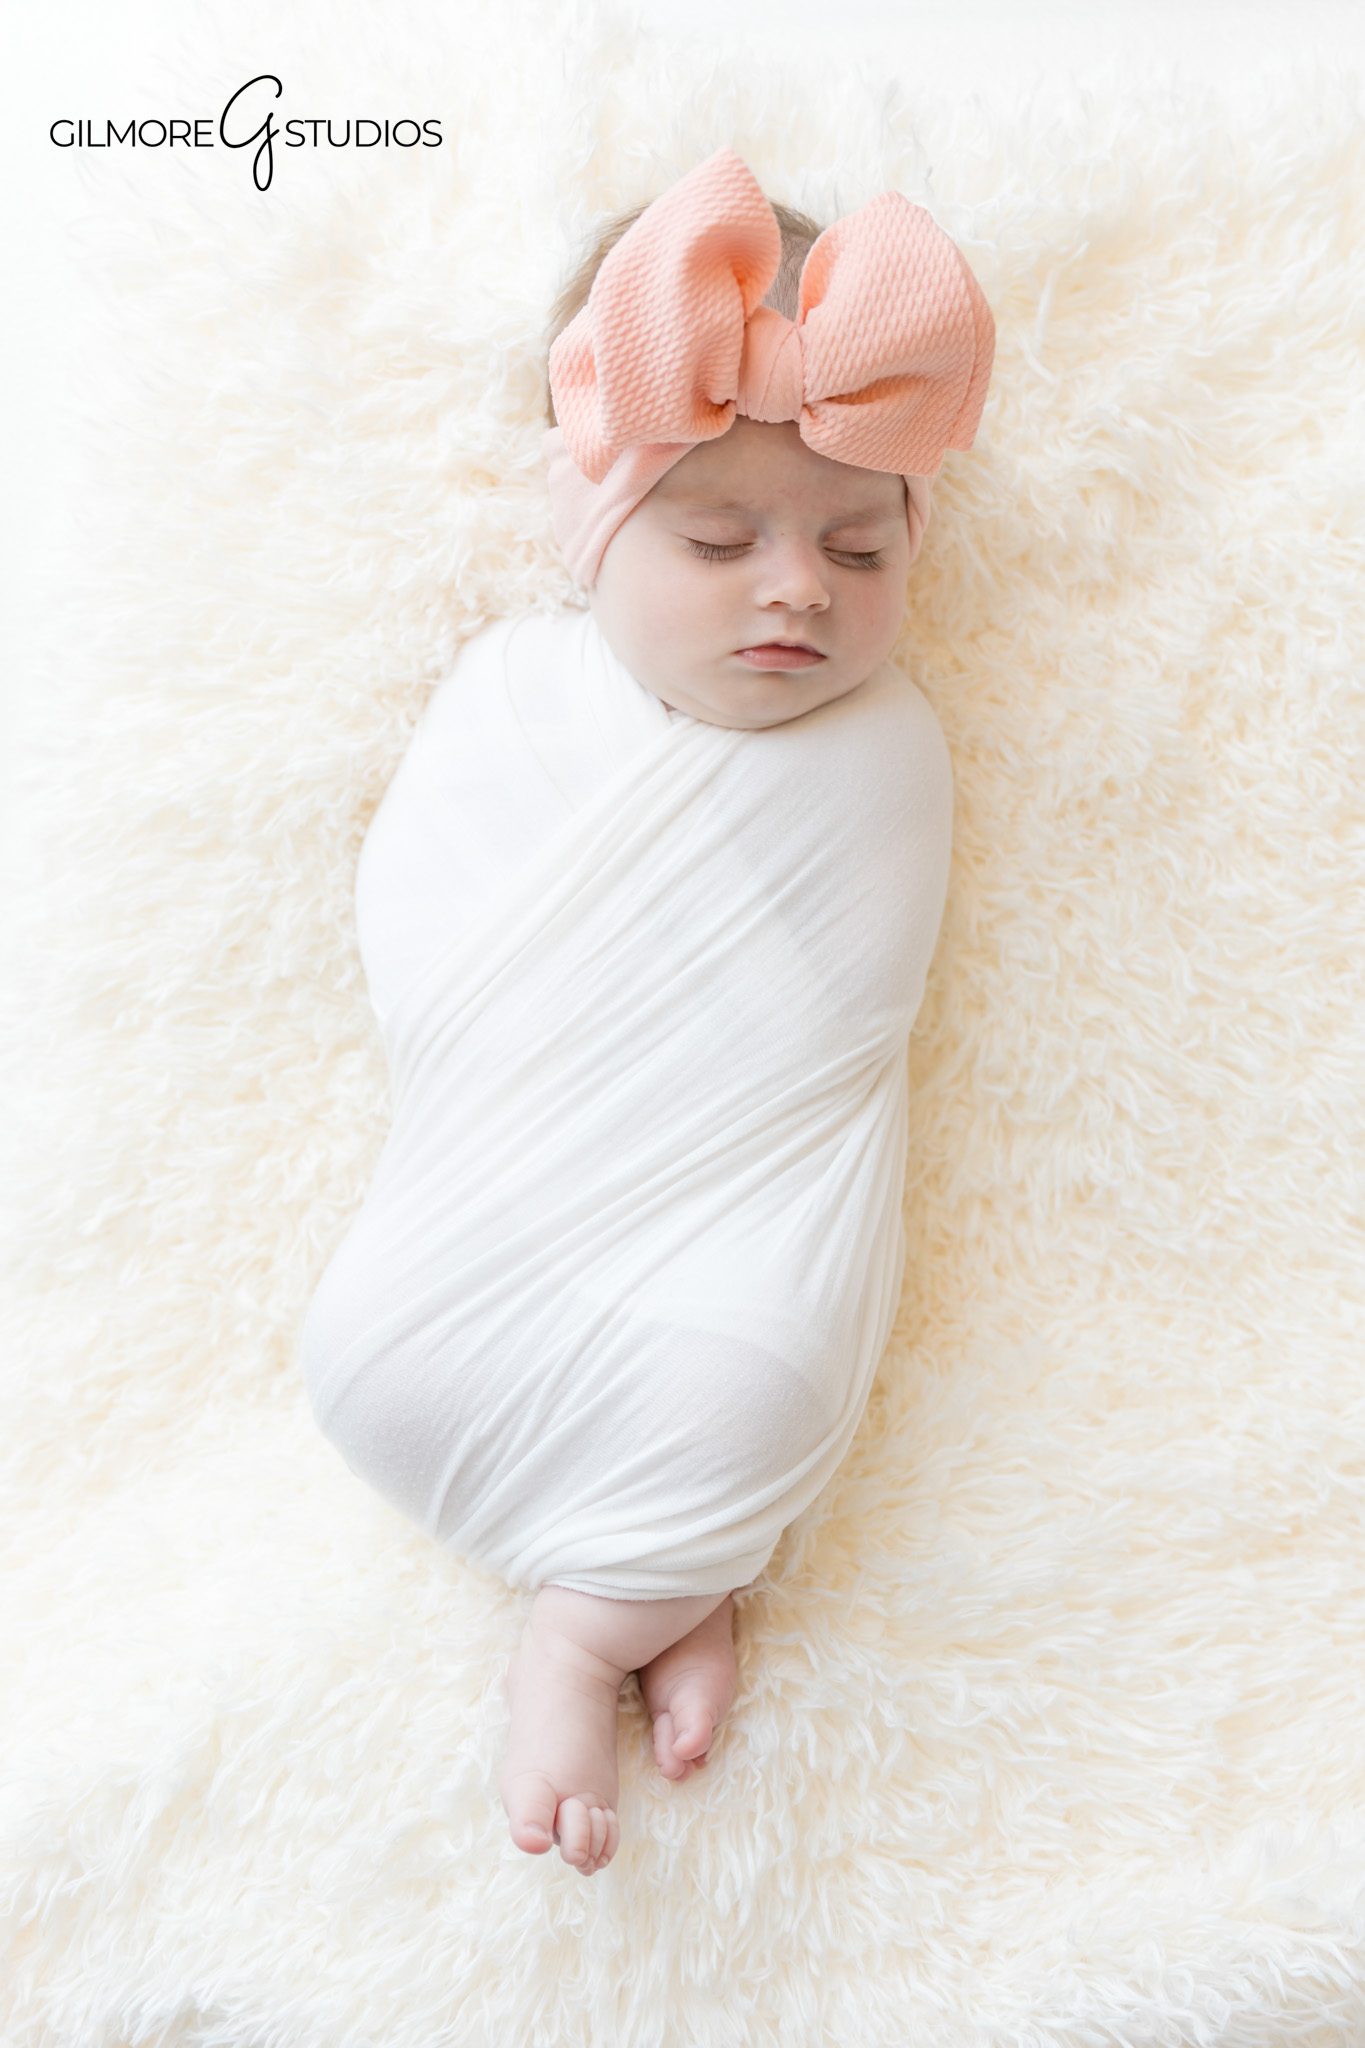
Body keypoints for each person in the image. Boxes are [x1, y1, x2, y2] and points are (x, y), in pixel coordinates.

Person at [297, 146, 995, 1878]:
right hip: (477, 1240)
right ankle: (655, 1584)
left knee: (753, 1373)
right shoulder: (512, 703)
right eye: (712, 536)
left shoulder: (889, 752)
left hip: (724, 1247)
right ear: (593, 531)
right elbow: (423, 944)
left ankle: (593, 1621)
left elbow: (827, 1039)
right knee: (424, 1374)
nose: (797, 591)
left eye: (857, 544)